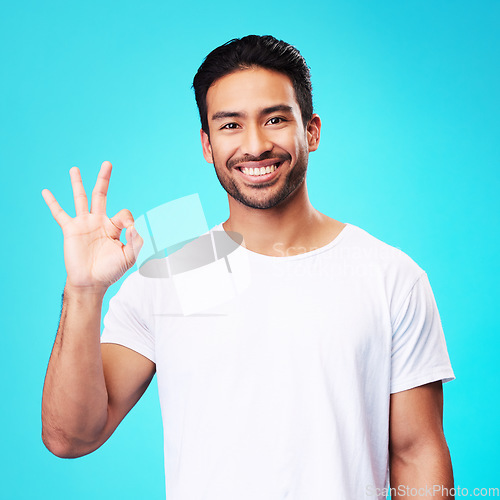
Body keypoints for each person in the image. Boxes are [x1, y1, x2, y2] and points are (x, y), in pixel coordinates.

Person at [41, 35, 455, 499]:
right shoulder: (175, 274)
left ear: (312, 131)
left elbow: (416, 454)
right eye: (230, 125)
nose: (255, 146)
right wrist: (82, 291)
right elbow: (70, 437)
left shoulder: (389, 276)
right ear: (207, 144)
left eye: (275, 119)